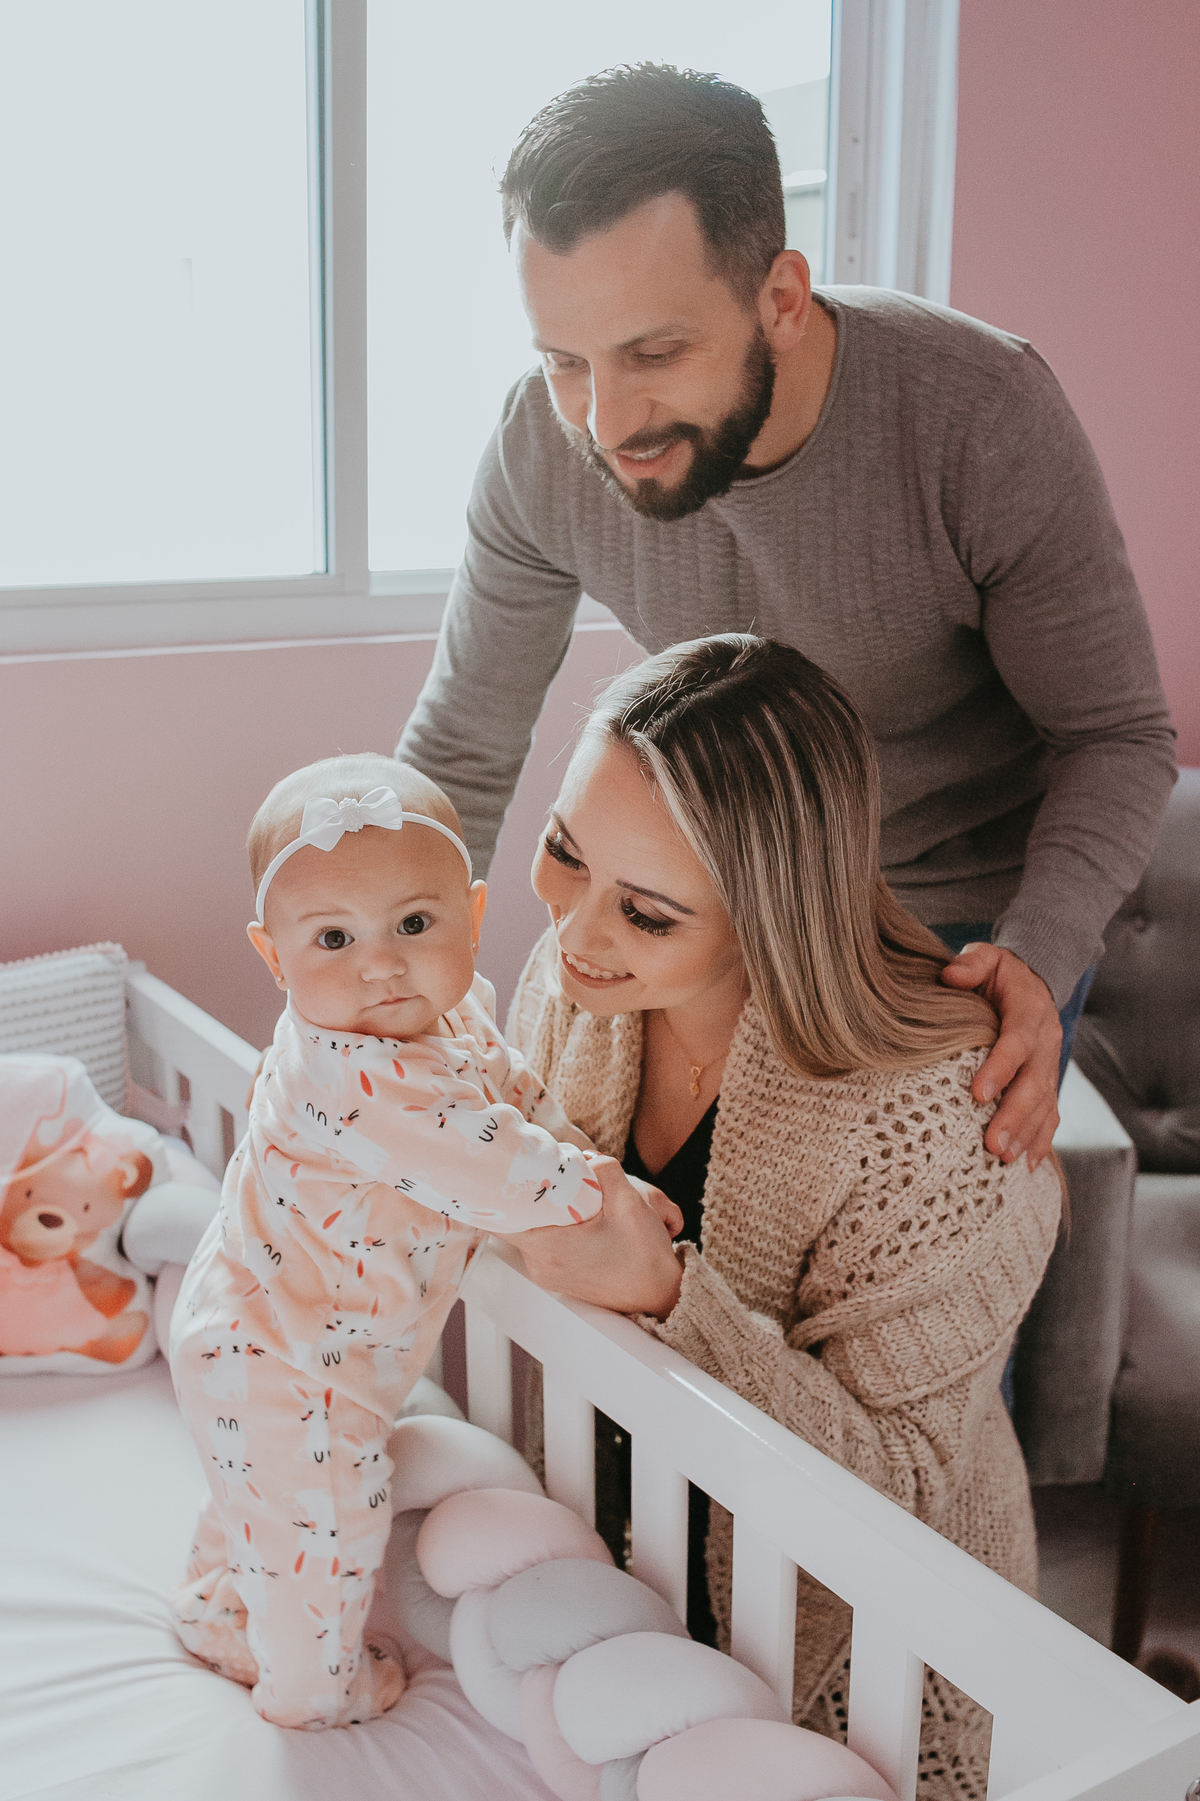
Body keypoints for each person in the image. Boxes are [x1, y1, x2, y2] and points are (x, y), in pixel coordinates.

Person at [398, 62, 1176, 1177]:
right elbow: (463, 745)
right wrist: (387, 943)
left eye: (655, 353)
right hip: (725, 890)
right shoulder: (541, 445)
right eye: (566, 360)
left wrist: (1039, 957)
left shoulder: (978, 416)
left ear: (781, 296)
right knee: (654, 1240)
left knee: (898, 1272)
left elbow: (1115, 736)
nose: (607, 421)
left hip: (950, 915)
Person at [503, 635, 1064, 1800]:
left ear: (772, 909)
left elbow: (898, 1486)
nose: (576, 929)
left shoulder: (939, 1124)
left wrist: (666, 1295)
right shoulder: (583, 991)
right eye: (564, 851)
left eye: (646, 912)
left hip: (862, 1645)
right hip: (634, 1565)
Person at [167, 752, 674, 1729]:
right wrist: (593, 1194)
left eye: (412, 923)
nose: (380, 962)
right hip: (287, 1363)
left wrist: (586, 1156)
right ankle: (313, 1693)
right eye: (333, 937)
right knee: (328, 1528)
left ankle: (221, 1600)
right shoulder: (349, 1073)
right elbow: (484, 1157)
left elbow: (512, 1095)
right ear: (276, 960)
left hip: (271, 1342)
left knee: (266, 1496)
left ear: (472, 919)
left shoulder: (452, 1016)